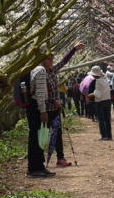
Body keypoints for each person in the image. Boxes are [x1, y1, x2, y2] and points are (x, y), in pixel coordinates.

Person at [27, 43, 83, 177]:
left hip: (52, 109)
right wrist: (44, 111)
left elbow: (63, 61)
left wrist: (74, 49)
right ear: (42, 59)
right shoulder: (40, 71)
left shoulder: (50, 70)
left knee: (51, 134)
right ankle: (35, 168)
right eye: (49, 58)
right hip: (43, 110)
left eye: (52, 58)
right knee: (38, 137)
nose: (52, 61)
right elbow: (40, 94)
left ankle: (45, 164)